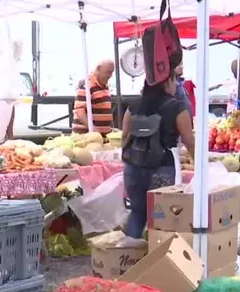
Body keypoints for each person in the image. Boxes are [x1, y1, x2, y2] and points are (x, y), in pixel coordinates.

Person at [120, 75, 195, 243]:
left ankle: (126, 258)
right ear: (166, 83)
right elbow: (189, 140)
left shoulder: (134, 106)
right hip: (162, 168)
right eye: (173, 80)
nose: (176, 84)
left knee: (138, 212)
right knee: (163, 217)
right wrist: (201, 165)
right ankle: (160, 261)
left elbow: (124, 136)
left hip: (133, 167)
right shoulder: (178, 107)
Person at [73, 60, 114, 135]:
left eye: (112, 72)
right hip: (86, 136)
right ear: (98, 69)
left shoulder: (104, 86)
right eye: (108, 72)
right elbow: (79, 111)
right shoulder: (86, 84)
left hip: (103, 137)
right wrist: (93, 130)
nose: (110, 75)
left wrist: (110, 129)